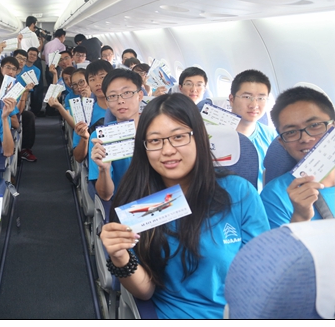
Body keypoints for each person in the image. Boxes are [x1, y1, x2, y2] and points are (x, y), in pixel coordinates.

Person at [101, 93, 269, 319]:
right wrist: (120, 257)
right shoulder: (139, 203)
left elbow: (261, 270)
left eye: (179, 137)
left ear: (199, 138)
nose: (168, 150)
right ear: (144, 148)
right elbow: (145, 291)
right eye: (155, 141)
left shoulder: (239, 192)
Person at [260, 86, 335, 228]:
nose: (305, 138)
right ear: (282, 143)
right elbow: (278, 243)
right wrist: (300, 217)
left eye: (315, 125)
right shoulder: (275, 195)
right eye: (291, 132)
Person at [90, 69, 144, 201]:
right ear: (107, 102)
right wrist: (103, 169)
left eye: (127, 93)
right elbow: (105, 195)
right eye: (113, 96)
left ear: (140, 95)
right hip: (125, 203)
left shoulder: (158, 130)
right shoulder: (100, 137)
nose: (120, 101)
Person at [229, 69, 277, 191]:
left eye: (261, 98)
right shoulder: (213, 135)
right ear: (232, 99)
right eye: (247, 97)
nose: (254, 105)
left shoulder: (273, 137)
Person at [71, 60, 112, 164]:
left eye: (102, 77)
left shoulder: (124, 110)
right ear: (88, 84)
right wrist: (85, 139)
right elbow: (78, 157)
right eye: (92, 79)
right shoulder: (84, 114)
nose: (98, 83)